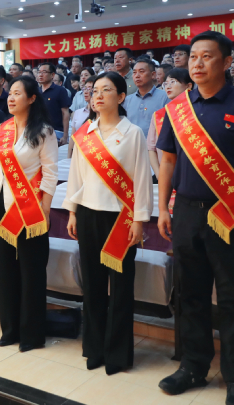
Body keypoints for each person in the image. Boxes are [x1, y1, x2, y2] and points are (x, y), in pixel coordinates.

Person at [156, 31, 234, 405]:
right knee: (189, 294)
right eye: (193, 56)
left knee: (233, 298)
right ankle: (193, 366)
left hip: (229, 215)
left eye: (207, 56)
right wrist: (162, 207)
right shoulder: (178, 108)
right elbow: (167, 160)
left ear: (227, 62)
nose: (197, 63)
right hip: (186, 212)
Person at [65, 71, 151, 374]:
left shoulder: (133, 133)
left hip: (121, 218)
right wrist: (72, 211)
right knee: (93, 285)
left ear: (121, 96)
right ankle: (95, 347)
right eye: (95, 90)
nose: (98, 96)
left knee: (122, 288)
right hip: (88, 213)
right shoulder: (85, 133)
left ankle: (118, 353)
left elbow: (142, 178)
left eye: (106, 90)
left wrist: (139, 219)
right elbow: (76, 176)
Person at [0, 75, 58, 352]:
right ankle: (10, 328)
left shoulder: (44, 131)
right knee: (5, 270)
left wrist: (46, 209)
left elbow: (50, 173)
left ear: (32, 98)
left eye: (17, 93)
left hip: (31, 208)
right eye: (10, 93)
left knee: (31, 272)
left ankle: (32, 334)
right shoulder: (1, 129)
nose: (11, 98)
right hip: (2, 206)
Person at [147, 68, 193, 175]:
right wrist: (160, 175)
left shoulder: (196, 111)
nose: (168, 86)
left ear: (188, 86)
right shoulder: (158, 115)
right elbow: (151, 149)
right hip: (166, 174)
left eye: (173, 82)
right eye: (166, 83)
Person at [123, 59, 169, 137]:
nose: (137, 76)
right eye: (134, 72)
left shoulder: (165, 97)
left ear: (153, 75)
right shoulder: (127, 100)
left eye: (141, 71)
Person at [36, 63, 71, 145]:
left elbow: (65, 113)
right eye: (39, 72)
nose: (40, 75)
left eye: (44, 72)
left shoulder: (60, 90)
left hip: (55, 132)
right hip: (37, 132)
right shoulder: (36, 91)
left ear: (52, 75)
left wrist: (65, 135)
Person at [67, 76, 96, 158]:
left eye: (90, 88)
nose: (86, 92)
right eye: (85, 88)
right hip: (78, 154)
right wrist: (69, 156)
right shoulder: (78, 112)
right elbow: (73, 137)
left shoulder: (102, 113)